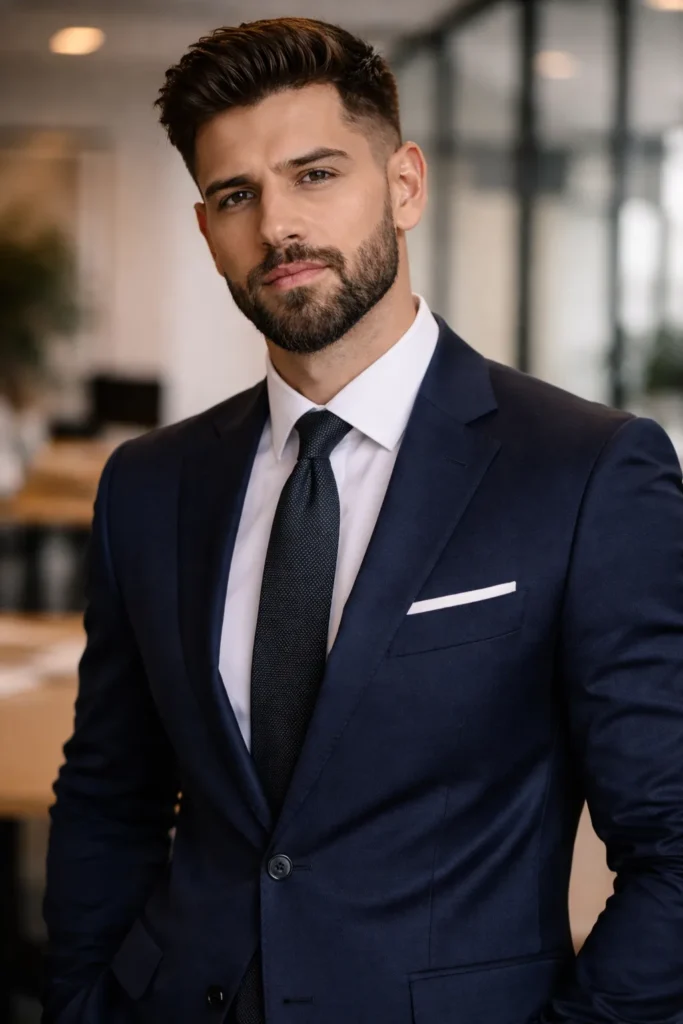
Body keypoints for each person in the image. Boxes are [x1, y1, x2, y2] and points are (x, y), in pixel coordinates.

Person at [42, 16, 683, 1024]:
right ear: (206, 231)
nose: (278, 227)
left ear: (403, 185)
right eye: (236, 195)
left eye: (315, 174)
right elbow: (108, 796)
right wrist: (80, 1000)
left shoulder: (585, 470)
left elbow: (672, 843)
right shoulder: (148, 484)